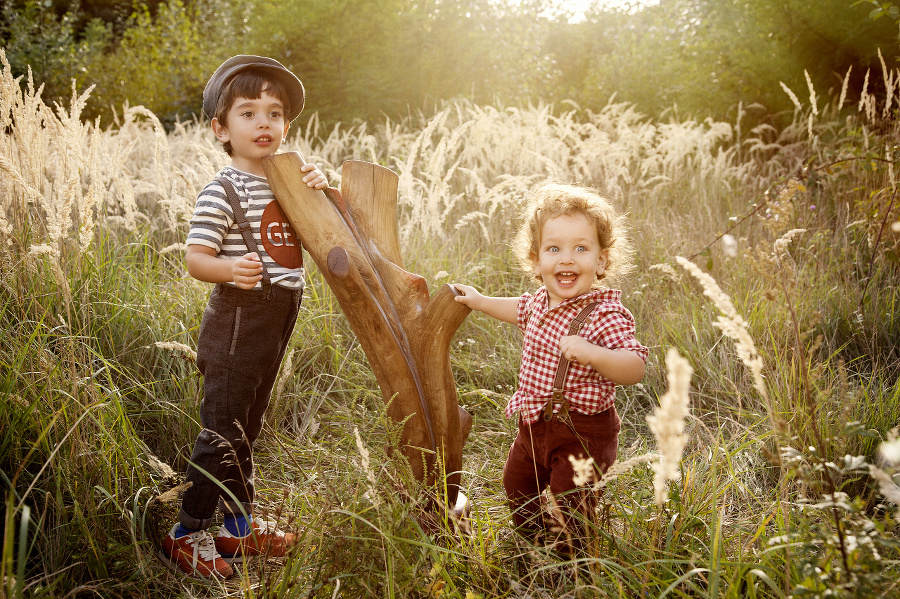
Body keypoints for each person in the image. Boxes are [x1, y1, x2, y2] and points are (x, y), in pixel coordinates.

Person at [159, 55, 328, 579]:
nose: (264, 124)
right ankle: (184, 533)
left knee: (247, 425)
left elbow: (331, 229)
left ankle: (237, 530)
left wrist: (324, 190)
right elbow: (195, 259)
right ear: (221, 128)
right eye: (249, 113)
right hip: (237, 320)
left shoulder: (290, 183)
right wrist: (229, 269)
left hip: (279, 318)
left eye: (275, 114)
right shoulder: (223, 189)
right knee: (223, 431)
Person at [453, 183, 648, 548]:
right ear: (536, 259)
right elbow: (515, 309)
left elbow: (634, 367)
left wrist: (593, 353)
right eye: (554, 248)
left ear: (601, 260)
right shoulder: (539, 302)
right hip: (533, 426)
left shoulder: (605, 313)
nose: (567, 259)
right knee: (517, 485)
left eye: (581, 248)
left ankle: (568, 563)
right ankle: (533, 544)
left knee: (568, 503)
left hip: (583, 433)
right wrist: (480, 302)